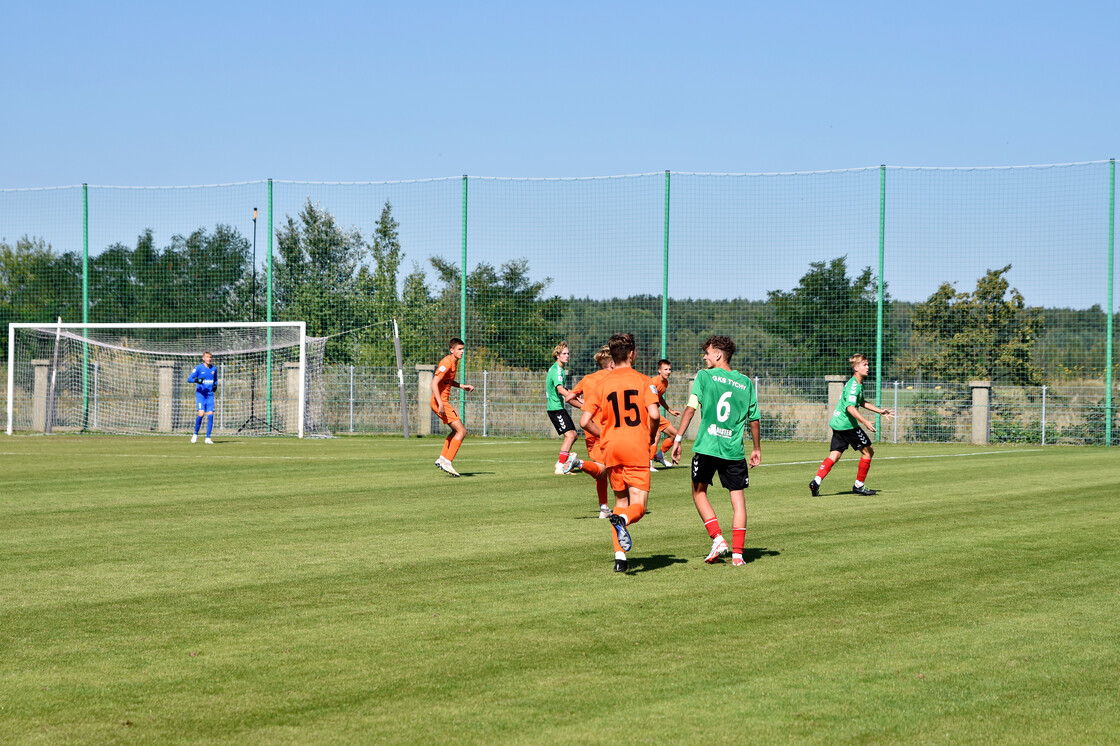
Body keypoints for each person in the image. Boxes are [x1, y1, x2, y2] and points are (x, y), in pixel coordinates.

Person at [671, 336, 761, 567]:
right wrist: (757, 448)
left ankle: (718, 539)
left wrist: (678, 439)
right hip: (734, 450)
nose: (704, 357)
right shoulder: (746, 383)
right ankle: (738, 555)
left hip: (707, 446)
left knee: (699, 493)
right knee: (738, 500)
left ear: (719, 355)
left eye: (708, 353)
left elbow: (691, 408)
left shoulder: (704, 376)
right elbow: (754, 419)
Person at [579, 333, 660, 573]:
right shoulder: (645, 381)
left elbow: (584, 421)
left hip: (611, 447)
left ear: (612, 358)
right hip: (636, 446)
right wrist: (652, 436)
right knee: (638, 506)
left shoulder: (601, 384)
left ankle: (620, 558)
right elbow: (654, 415)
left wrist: (603, 434)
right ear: (632, 354)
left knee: (619, 502)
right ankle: (624, 521)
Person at [810, 353, 893, 496]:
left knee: (834, 455)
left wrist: (880, 411)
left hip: (838, 423)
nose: (868, 367)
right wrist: (865, 422)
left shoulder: (856, 383)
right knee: (868, 451)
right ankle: (858, 485)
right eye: (864, 365)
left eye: (868, 364)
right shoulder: (854, 386)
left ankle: (816, 481)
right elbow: (850, 407)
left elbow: (861, 402)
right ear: (856, 368)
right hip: (847, 425)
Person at [563, 345, 614, 519]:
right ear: (612, 363)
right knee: (605, 470)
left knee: (601, 472)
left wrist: (585, 406)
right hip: (608, 430)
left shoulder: (588, 378)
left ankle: (604, 507)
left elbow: (569, 398)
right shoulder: (615, 378)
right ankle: (577, 462)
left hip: (591, 430)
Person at [431, 338, 475, 477]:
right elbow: (434, 383)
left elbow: (447, 381)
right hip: (440, 402)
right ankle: (448, 462)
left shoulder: (454, 363)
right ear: (452, 350)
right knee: (461, 431)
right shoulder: (446, 363)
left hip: (442, 402)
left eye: (463, 349)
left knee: (455, 431)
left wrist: (462, 386)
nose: (462, 352)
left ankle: (443, 458)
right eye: (459, 349)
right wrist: (441, 404)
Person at [546, 342, 579, 474]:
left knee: (574, 435)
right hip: (555, 408)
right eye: (564, 353)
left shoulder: (558, 369)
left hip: (558, 407)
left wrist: (575, 396)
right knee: (570, 436)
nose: (567, 356)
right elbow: (560, 390)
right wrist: (573, 397)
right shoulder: (557, 370)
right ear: (557, 355)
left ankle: (563, 462)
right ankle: (561, 466)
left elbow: (563, 388)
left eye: (568, 353)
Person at [648, 358, 681, 470]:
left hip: (655, 413)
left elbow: (659, 397)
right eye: (665, 369)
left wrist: (669, 410)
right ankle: (649, 462)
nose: (668, 372)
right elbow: (647, 398)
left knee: (674, 434)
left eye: (669, 369)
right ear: (659, 370)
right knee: (656, 435)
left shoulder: (665, 382)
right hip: (648, 413)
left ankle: (659, 456)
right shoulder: (654, 382)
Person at [187, 352, 218, 444]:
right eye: (207, 357)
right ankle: (195, 434)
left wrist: (215, 385)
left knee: (211, 415)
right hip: (201, 395)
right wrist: (197, 380)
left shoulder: (214, 369)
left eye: (210, 357)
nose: (209, 359)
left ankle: (208, 438)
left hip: (210, 395)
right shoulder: (199, 368)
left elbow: (215, 380)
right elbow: (189, 379)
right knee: (201, 414)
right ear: (203, 358)